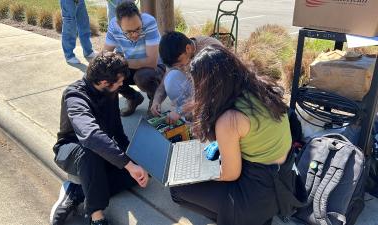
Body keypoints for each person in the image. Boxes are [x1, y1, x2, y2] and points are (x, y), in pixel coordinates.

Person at [169, 45, 305, 225]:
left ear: (208, 85)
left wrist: (199, 172)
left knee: (177, 190)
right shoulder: (260, 87)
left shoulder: (229, 120)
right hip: (284, 183)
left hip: (255, 196)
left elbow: (230, 174)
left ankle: (235, 219)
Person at [50, 51, 149, 225]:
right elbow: (90, 136)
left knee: (136, 175)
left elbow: (117, 132)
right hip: (72, 149)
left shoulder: (109, 92)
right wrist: (127, 164)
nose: (122, 85)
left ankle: (77, 191)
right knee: (90, 151)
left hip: (101, 152)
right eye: (119, 82)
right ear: (104, 82)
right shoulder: (75, 96)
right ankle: (96, 217)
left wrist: (133, 160)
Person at [104, 1, 165, 117]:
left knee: (143, 77)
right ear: (118, 24)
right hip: (131, 65)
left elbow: (151, 62)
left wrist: (121, 62)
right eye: (128, 32)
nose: (135, 35)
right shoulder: (113, 25)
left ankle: (154, 101)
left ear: (140, 18)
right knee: (109, 73)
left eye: (138, 29)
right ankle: (134, 98)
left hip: (154, 68)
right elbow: (105, 54)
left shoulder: (149, 22)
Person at [151, 31, 222, 123]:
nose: (179, 67)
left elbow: (213, 91)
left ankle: (207, 119)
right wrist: (156, 101)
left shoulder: (210, 49)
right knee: (170, 78)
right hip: (198, 91)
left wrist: (180, 110)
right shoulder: (176, 55)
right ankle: (192, 117)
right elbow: (163, 85)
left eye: (180, 64)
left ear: (188, 48)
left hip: (219, 93)